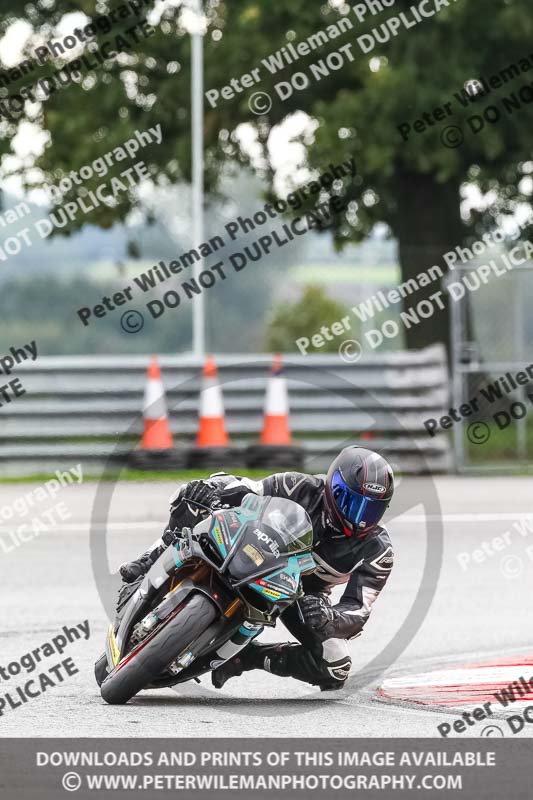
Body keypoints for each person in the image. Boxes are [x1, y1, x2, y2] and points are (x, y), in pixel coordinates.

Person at [120, 445, 394, 692]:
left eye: (371, 510)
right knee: (193, 497)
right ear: (333, 487)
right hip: (254, 549)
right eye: (352, 503)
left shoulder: (378, 551)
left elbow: (358, 610)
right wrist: (212, 490)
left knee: (336, 667)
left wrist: (328, 617)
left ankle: (246, 657)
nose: (359, 519)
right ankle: (148, 562)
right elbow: (247, 488)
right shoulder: (298, 487)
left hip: (302, 594)